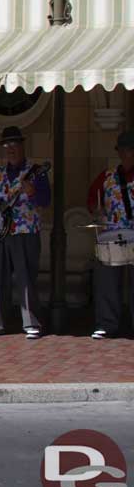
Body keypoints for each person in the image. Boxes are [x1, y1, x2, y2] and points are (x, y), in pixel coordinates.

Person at [0, 126, 51, 339]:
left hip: (26, 232)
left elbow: (45, 201)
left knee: (26, 278)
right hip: (0, 235)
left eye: (15, 145)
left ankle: (32, 323)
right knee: (0, 279)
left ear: (22, 146)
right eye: (7, 146)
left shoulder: (35, 173)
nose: (11, 149)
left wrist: (33, 192)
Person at [86, 130, 134, 339]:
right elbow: (91, 200)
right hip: (112, 236)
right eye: (122, 150)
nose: (125, 154)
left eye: (129, 150)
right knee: (106, 281)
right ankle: (107, 324)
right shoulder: (107, 176)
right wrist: (96, 210)